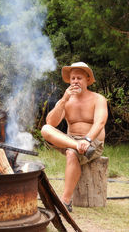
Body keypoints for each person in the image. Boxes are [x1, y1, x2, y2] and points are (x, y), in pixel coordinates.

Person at [41, 62, 108, 212]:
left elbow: (100, 122)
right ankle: (75, 146)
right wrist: (64, 100)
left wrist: (87, 140)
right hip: (72, 141)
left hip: (92, 143)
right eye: (73, 78)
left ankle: (65, 202)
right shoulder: (66, 100)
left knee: (71, 154)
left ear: (87, 80)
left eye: (79, 78)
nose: (75, 81)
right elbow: (51, 122)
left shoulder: (98, 99)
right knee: (45, 129)